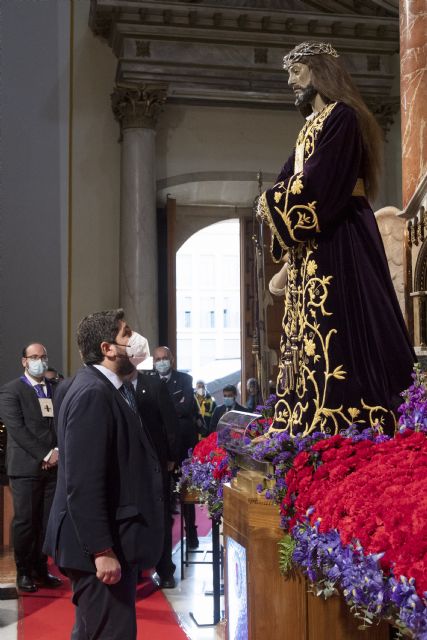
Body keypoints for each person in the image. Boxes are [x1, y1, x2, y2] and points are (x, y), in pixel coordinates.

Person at [257, 41, 415, 436]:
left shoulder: (341, 118)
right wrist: (272, 199)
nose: (291, 81)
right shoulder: (310, 126)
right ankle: (304, 410)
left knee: (340, 323)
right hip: (315, 241)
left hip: (339, 235)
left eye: (297, 71)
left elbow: (319, 183)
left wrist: (270, 202)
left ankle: (346, 417)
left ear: (318, 71)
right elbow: (287, 178)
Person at [44, 310, 164, 639]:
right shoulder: (94, 393)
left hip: (109, 539)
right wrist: (101, 550)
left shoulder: (98, 386)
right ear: (108, 348)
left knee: (94, 631)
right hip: (97, 547)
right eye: (127, 333)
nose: (137, 339)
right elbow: (83, 482)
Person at [0, 343, 62, 593]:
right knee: (26, 521)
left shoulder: (55, 389)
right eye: (34, 357)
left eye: (43, 356)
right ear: (24, 361)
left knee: (46, 522)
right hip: (26, 467)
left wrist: (57, 451)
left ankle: (41, 567)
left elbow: (61, 423)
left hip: (53, 467)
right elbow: (18, 430)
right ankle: (23, 571)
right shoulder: (11, 390)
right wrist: (45, 453)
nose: (39, 361)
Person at [126, 332, 179, 589]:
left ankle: (165, 568)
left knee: (160, 514)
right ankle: (135, 566)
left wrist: (171, 457)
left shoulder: (154, 384)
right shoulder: (115, 386)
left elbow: (170, 425)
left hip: (157, 462)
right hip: (128, 465)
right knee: (132, 517)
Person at [152, 346, 200, 549]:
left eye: (165, 358)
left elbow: (186, 406)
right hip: (161, 446)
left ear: (171, 360)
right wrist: (173, 406)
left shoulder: (184, 380)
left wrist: (163, 410)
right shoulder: (150, 381)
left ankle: (192, 532)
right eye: (158, 359)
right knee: (162, 492)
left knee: (186, 490)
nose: (161, 362)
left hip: (183, 445)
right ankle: (161, 537)